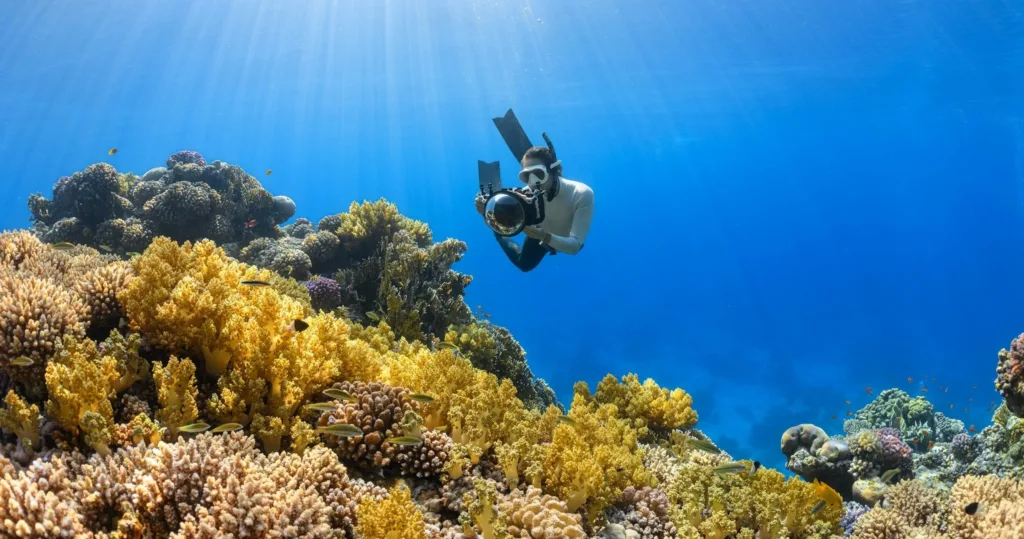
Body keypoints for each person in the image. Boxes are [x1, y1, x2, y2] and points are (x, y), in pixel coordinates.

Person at [475, 146, 594, 271]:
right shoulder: (526, 194)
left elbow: (574, 246)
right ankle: (498, 237)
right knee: (524, 264)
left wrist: (544, 237)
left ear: (554, 169)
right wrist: (487, 211)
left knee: (526, 264)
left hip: (555, 238)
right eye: (526, 176)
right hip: (538, 233)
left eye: (538, 174)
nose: (532, 183)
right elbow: (504, 226)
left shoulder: (581, 193)